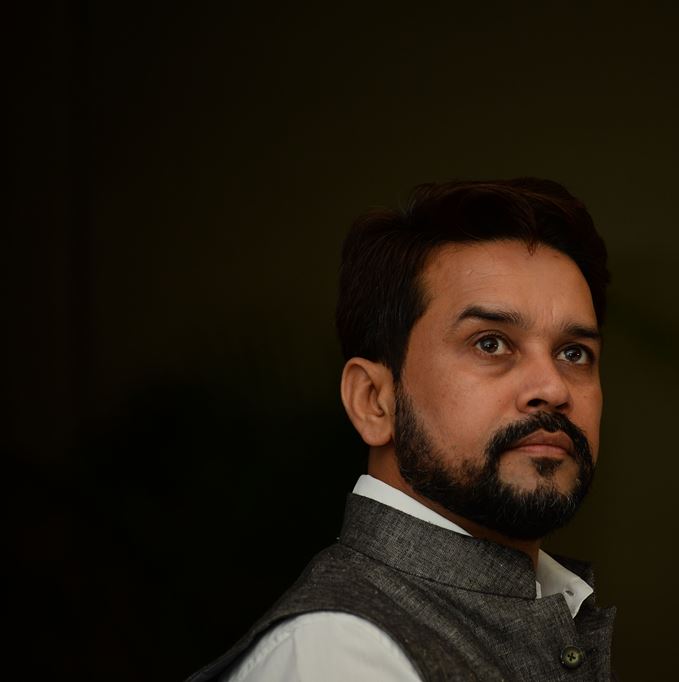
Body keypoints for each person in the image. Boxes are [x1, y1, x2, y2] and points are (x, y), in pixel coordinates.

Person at [188, 178, 616, 681]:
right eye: (491, 343)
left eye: (574, 353)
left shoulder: (546, 604)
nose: (552, 387)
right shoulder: (337, 656)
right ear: (374, 400)